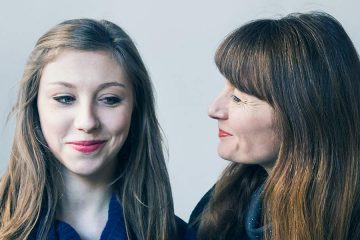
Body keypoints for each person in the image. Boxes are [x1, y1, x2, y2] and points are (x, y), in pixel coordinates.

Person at [0, 19, 192, 240]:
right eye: (65, 98)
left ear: (135, 110)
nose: (87, 122)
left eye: (109, 99)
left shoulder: (178, 234)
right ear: (35, 107)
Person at [189, 12, 360, 240]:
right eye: (225, 89)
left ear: (304, 114)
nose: (214, 109)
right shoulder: (223, 205)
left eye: (239, 97)